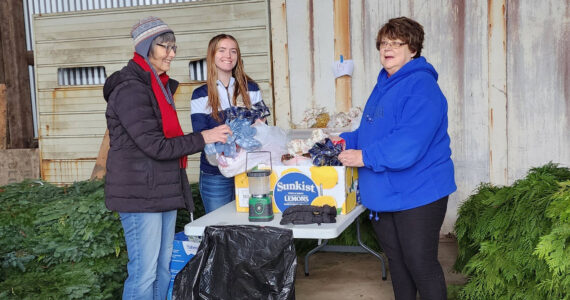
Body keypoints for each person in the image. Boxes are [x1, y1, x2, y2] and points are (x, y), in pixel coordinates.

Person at [103, 17, 231, 300]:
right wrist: (204, 137)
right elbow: (155, 145)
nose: (172, 53)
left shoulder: (157, 86)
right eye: (165, 47)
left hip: (161, 188)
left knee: (161, 270)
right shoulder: (130, 89)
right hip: (139, 194)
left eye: (174, 47)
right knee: (144, 272)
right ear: (147, 46)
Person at [337, 17, 456, 300]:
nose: (387, 49)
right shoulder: (383, 86)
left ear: (412, 49)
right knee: (399, 266)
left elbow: (408, 144)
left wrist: (363, 156)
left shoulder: (422, 87)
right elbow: (371, 132)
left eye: (396, 43)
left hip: (418, 193)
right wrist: (343, 141)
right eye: (383, 43)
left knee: (420, 265)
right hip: (386, 195)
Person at [191, 34, 270, 214]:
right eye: (222, 50)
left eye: (233, 51)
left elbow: (262, 128)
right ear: (212, 55)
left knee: (250, 225)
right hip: (215, 174)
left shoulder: (251, 88)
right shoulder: (200, 94)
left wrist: (255, 127)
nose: (228, 55)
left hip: (249, 170)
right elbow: (201, 134)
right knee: (219, 227)